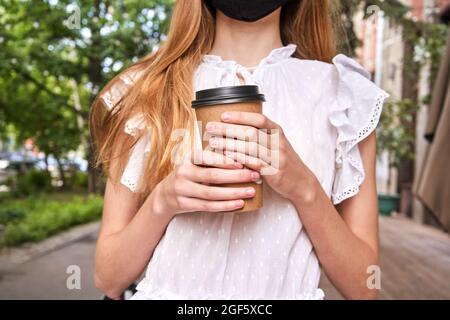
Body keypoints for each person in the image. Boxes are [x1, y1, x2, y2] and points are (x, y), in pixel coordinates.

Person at [90, 0, 389, 300]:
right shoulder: (147, 92)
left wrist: (305, 189)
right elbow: (108, 278)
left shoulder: (344, 99)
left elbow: (365, 287)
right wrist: (163, 201)